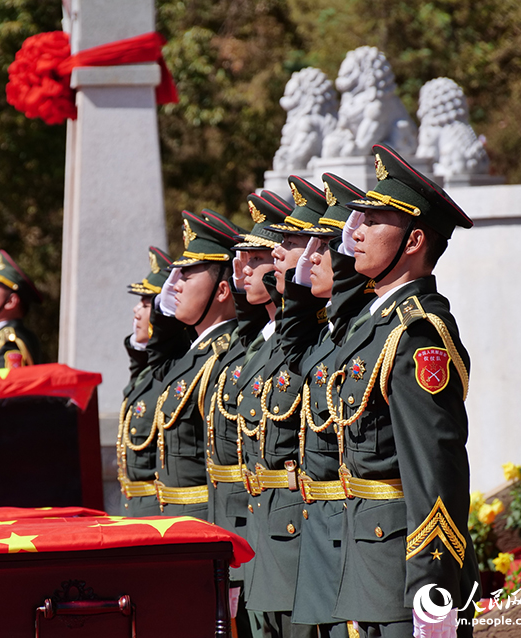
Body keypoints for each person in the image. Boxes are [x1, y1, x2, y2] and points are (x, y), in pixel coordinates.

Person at [328, 144, 479, 638]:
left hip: (400, 580)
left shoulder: (418, 333)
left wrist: (432, 596)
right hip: (361, 568)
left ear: (414, 240)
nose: (357, 232)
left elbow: (436, 470)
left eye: (373, 221)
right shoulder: (370, 325)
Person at [235, 176, 330, 638]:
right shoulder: (265, 343)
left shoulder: (322, 340)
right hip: (264, 528)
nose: (274, 255)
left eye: (288, 242)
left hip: (301, 530)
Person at [276, 173, 371, 638]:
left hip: (360, 537)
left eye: (321, 248)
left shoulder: (367, 336)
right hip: (321, 531)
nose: (307, 258)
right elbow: (292, 351)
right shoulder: (325, 339)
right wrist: (296, 290)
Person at [205, 190, 292, 638]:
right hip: (253, 529)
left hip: (293, 533)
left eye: (256, 256)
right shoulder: (253, 343)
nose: (240, 267)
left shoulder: (295, 343)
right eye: (240, 257)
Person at [149, 210, 241, 520]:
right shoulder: (194, 355)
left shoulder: (225, 357)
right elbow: (159, 369)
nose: (174, 284)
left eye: (186, 275)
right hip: (177, 517)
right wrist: (161, 315)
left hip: (205, 517)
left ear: (222, 290)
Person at [117, 245, 187, 516]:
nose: (136, 310)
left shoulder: (173, 370)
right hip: (134, 504)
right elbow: (140, 366)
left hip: (156, 508)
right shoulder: (148, 371)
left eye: (147, 303)